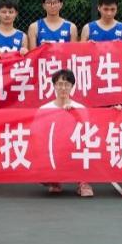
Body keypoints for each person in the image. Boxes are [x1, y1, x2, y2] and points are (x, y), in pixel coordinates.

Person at [39, 68, 93, 197]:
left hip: (74, 148)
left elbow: (87, 132)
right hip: (54, 150)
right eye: (60, 84)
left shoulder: (80, 108)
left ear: (72, 86)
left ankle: (83, 183)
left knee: (86, 151)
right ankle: (54, 181)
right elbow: (39, 135)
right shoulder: (44, 109)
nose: (63, 88)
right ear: (54, 86)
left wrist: (75, 114)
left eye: (67, 84)